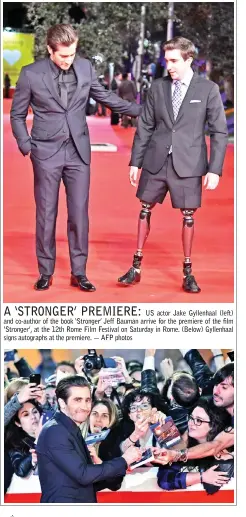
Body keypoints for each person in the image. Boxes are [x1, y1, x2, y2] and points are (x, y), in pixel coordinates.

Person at [10, 24, 141, 292]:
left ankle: (79, 272)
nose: (68, 60)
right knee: (46, 215)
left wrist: (141, 111)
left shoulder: (84, 68)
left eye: (72, 54)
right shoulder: (31, 74)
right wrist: (28, 146)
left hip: (78, 152)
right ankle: (45, 272)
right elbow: (17, 115)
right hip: (45, 152)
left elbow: (105, 97)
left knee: (79, 215)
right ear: (50, 50)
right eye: (63, 56)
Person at [118, 36, 228, 293]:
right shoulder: (157, 87)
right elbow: (145, 126)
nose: (168, 65)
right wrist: (135, 161)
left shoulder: (208, 89)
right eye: (166, 60)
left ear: (189, 59)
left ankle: (188, 273)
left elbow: (219, 132)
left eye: (174, 60)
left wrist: (215, 169)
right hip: (156, 161)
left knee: (188, 217)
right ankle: (135, 267)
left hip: (189, 164)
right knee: (144, 210)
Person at [36, 376, 141, 503]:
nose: (85, 406)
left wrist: (112, 472)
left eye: (87, 400)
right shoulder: (55, 431)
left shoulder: (70, 428)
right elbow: (83, 475)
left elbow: (86, 482)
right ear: (62, 403)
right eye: (77, 400)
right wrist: (124, 460)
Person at [157, 397, 232, 491]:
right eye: (191, 418)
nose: (191, 423)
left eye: (199, 420)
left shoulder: (225, 452)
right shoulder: (185, 442)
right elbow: (165, 480)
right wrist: (202, 477)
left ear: (214, 426)